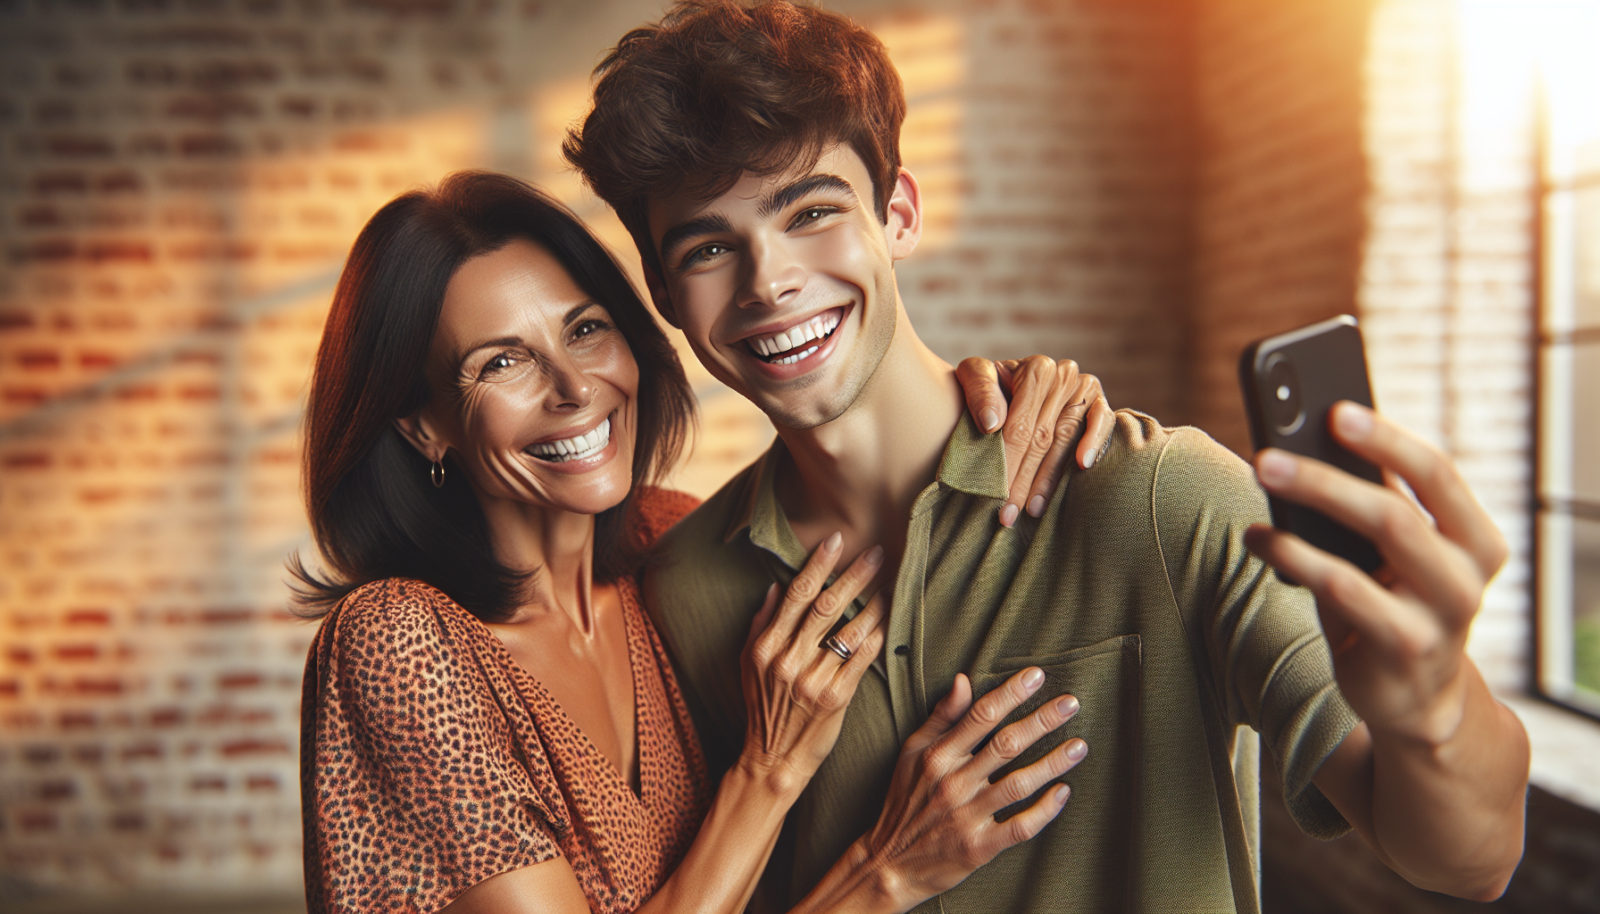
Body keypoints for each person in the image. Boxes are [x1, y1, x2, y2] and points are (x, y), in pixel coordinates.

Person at [561, 2, 1532, 911]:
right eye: (705, 249)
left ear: (897, 214)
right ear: (664, 293)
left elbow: (1468, 856)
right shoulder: (686, 587)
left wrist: (1434, 710)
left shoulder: (1160, 497)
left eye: (810, 211)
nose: (769, 281)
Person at [294, 170, 1118, 913]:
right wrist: (864, 856)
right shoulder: (398, 640)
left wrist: (993, 401)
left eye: (584, 331)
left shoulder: (671, 548)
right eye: (502, 363)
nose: (576, 389)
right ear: (421, 424)